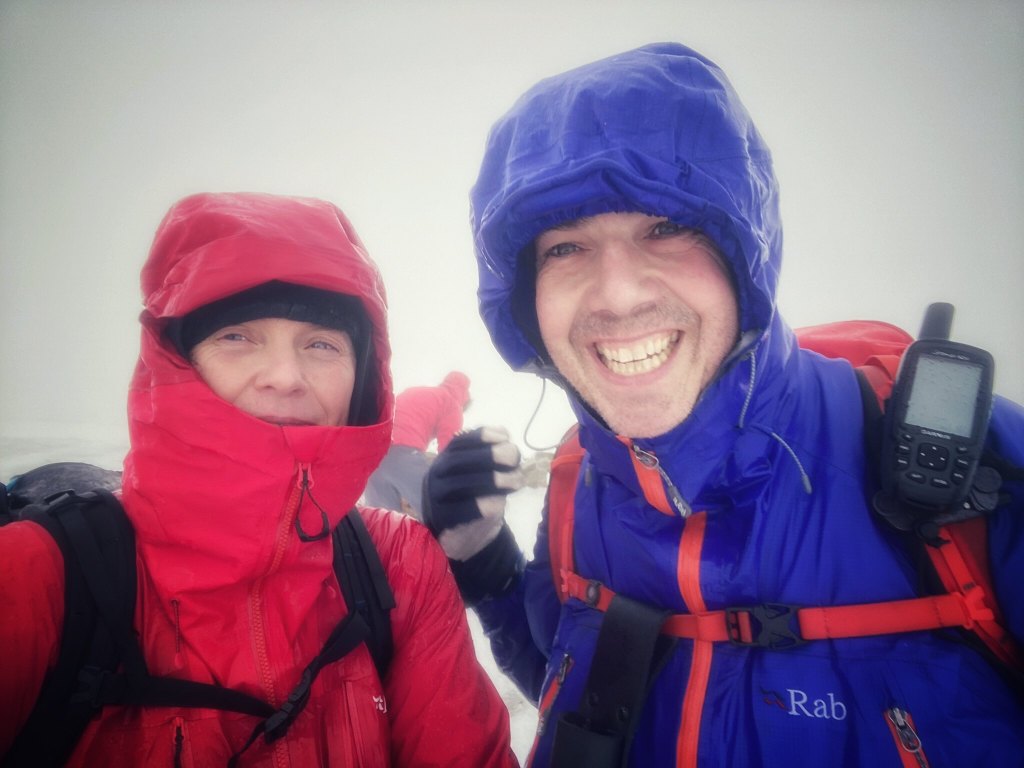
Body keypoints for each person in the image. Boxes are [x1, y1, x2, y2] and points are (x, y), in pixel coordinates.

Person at [422, 43, 1024, 766]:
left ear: (746, 252)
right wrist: (485, 565)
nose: (618, 294)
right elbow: (578, 693)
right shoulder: (577, 487)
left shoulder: (977, 473)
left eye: (666, 228)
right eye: (565, 249)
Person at [0, 192, 517, 767]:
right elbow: (437, 439)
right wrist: (440, 467)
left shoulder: (400, 565)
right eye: (237, 336)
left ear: (362, 376)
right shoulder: (34, 575)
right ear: (175, 362)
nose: (284, 377)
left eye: (321, 343)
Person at [364, 371, 471, 519]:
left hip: (372, 457)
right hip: (402, 455)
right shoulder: (452, 403)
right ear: (464, 397)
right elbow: (449, 449)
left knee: (387, 527)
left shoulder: (416, 391)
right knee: (441, 517)